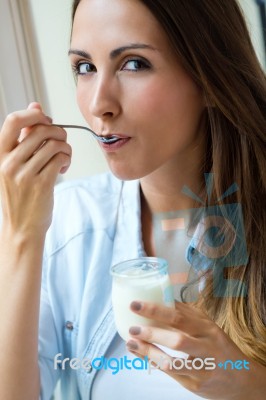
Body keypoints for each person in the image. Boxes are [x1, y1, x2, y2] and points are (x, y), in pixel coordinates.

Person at [0, 0, 265, 399]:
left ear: (212, 78)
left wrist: (248, 386)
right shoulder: (65, 223)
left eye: (134, 64)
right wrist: (21, 235)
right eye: (84, 67)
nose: (98, 105)